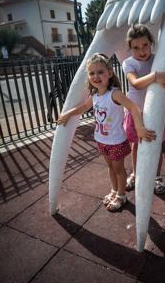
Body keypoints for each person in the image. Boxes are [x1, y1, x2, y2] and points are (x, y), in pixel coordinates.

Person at [57, 53, 156, 212]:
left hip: (116, 141)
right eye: (92, 73)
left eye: (100, 72)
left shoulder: (114, 93)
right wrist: (68, 114)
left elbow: (133, 107)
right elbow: (84, 107)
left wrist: (139, 128)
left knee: (119, 170)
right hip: (101, 140)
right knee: (110, 168)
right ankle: (114, 190)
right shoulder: (95, 95)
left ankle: (121, 196)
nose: (96, 76)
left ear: (109, 73)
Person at [122, 24, 165, 194]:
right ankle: (135, 173)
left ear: (151, 43)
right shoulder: (129, 63)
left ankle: (156, 176)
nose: (142, 51)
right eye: (136, 47)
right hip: (135, 113)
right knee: (136, 145)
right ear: (130, 48)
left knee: (156, 144)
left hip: (154, 111)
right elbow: (135, 83)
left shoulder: (158, 59)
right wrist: (155, 76)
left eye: (145, 45)